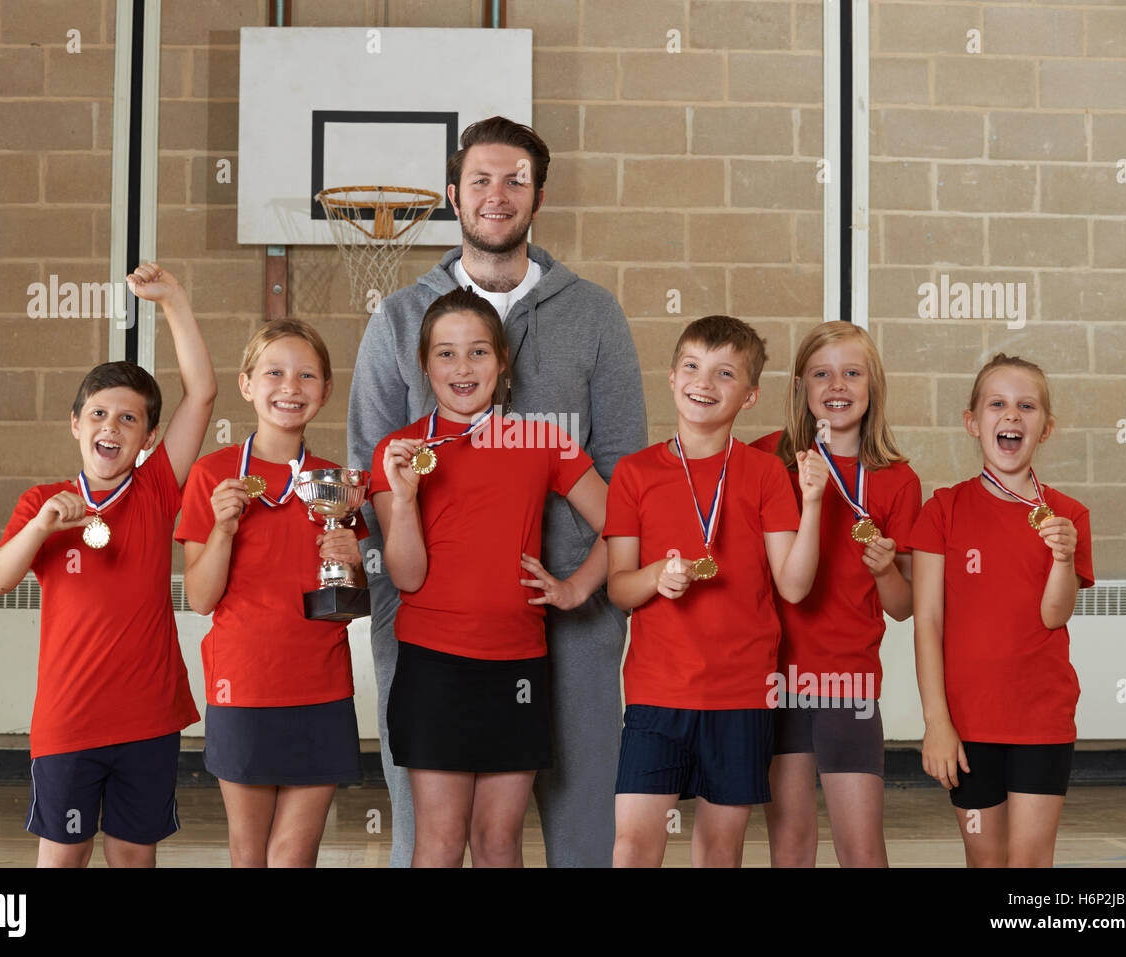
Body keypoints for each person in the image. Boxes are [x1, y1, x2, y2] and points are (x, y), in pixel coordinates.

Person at [349, 116, 645, 867]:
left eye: (515, 179)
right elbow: (371, 469)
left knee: (575, 830)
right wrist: (392, 588)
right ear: (453, 195)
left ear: (539, 195)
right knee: (431, 833)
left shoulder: (595, 313)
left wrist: (589, 584)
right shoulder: (398, 317)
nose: (497, 194)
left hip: (562, 617)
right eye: (481, 178)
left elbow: (628, 479)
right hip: (435, 621)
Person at [0, 262, 216, 867]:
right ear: (75, 424)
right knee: (63, 857)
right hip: (68, 721)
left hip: (148, 718)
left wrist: (174, 302)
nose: (111, 426)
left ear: (147, 439)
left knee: (133, 858)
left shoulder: (158, 489)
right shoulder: (43, 502)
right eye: (98, 414)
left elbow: (204, 393)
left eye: (129, 419)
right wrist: (40, 529)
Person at [369, 288, 608, 866]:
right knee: (442, 841)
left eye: (478, 352)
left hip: (517, 665)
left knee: (499, 842)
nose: (462, 367)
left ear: (502, 362)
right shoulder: (398, 451)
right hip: (434, 665)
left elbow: (624, 525)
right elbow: (407, 577)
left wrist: (575, 587)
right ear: (424, 364)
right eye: (446, 354)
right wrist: (402, 502)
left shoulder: (540, 438)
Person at [604, 315, 825, 867]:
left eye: (725, 373)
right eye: (693, 367)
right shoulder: (633, 474)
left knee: (720, 848)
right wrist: (657, 575)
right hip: (658, 692)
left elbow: (793, 587)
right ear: (673, 377)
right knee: (632, 844)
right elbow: (618, 588)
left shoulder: (767, 475)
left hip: (743, 693)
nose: (704, 382)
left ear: (749, 396)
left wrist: (816, 502)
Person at [175, 319, 366, 867]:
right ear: (246, 384)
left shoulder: (338, 483)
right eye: (275, 372)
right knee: (249, 852)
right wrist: (223, 531)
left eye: (307, 375)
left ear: (326, 391)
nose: (291, 386)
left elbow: (349, 605)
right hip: (245, 685)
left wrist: (353, 565)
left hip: (321, 687)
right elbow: (200, 598)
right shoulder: (212, 475)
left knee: (293, 856)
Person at [908, 353, 1093, 867]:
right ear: (973, 422)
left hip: (1042, 718)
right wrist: (936, 722)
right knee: (985, 859)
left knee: (1029, 863)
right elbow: (927, 621)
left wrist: (1063, 555)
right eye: (997, 404)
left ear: (1046, 427)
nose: (1011, 415)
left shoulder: (1068, 516)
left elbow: (1055, 615)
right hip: (967, 723)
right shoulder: (943, 509)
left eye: (1026, 406)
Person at [751, 322, 921, 867]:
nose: (837, 385)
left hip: (847, 677)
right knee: (791, 846)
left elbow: (903, 606)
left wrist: (884, 571)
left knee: (862, 849)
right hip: (775, 674)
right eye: (822, 373)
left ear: (873, 385)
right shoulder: (765, 459)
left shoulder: (897, 480)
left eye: (852, 372)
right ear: (801, 385)